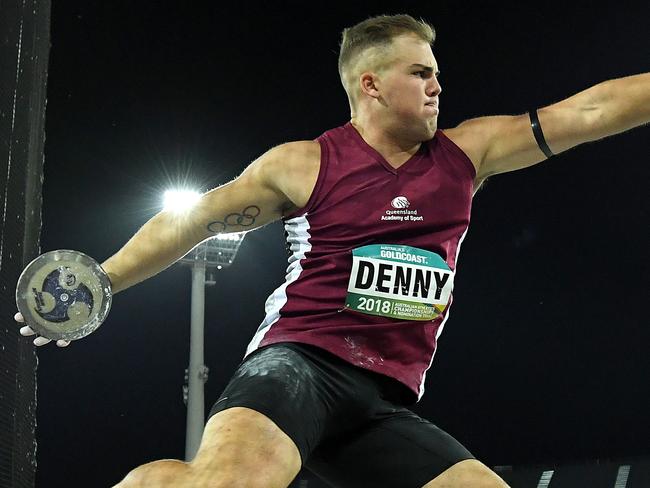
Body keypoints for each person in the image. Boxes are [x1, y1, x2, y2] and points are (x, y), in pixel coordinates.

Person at [15, 13, 650, 488]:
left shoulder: (468, 152)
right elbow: (196, 221)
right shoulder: (306, 163)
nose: (437, 86)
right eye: (421, 72)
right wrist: (101, 282)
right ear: (371, 84)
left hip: (382, 403)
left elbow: (589, 112)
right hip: (296, 369)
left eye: (438, 74)